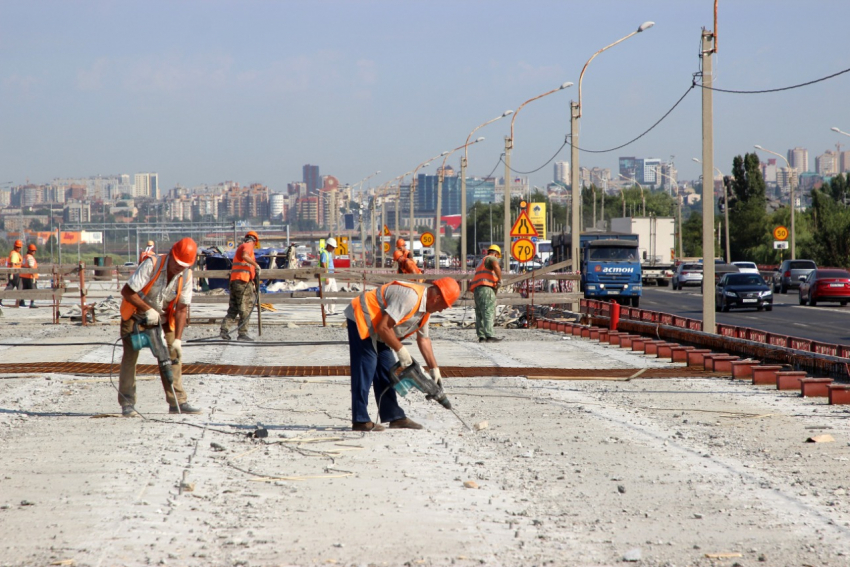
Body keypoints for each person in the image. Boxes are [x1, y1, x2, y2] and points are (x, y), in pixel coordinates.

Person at [346, 277, 460, 431]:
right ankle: (360, 420)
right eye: (444, 306)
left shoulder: (425, 310)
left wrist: (434, 369)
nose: (442, 310)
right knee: (366, 365)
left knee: (387, 369)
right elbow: (383, 327)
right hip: (362, 316)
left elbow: (424, 339)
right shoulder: (410, 297)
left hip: (379, 329)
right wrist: (401, 349)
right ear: (437, 298)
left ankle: (394, 416)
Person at [118, 237, 200, 417]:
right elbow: (127, 291)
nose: (179, 268)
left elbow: (182, 309)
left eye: (183, 265)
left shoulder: (186, 275)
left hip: (162, 316)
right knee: (130, 356)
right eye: (177, 263)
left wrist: (178, 339)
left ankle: (177, 402)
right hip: (135, 313)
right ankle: (127, 403)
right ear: (171, 254)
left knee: (173, 354)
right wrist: (147, 309)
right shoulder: (152, 264)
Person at [220, 231, 261, 341]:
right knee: (245, 309)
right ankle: (242, 334)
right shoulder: (247, 246)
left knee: (233, 308)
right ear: (254, 241)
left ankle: (224, 330)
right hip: (242, 282)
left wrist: (253, 283)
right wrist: (256, 265)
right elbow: (245, 255)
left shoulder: (241, 246)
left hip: (235, 281)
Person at [469, 244, 503, 343]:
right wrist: (500, 279)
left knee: (480, 313)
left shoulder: (481, 261)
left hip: (477, 289)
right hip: (486, 288)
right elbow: (496, 265)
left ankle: (482, 336)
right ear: (496, 254)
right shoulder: (491, 258)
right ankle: (490, 336)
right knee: (488, 311)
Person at [2, 240, 24, 308]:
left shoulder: (14, 253)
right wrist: (12, 273)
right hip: (15, 273)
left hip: (14, 273)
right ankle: (20, 301)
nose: (19, 249)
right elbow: (13, 264)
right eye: (19, 247)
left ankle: (1, 298)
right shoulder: (14, 254)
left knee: (10, 286)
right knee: (19, 287)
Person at [320, 238, 338, 315]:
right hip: (327, 275)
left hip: (331, 275)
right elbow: (323, 264)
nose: (333, 249)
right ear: (329, 246)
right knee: (326, 294)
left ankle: (332, 310)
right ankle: (325, 311)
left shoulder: (329, 253)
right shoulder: (324, 253)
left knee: (334, 292)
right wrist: (326, 276)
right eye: (333, 247)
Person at [20, 243, 38, 308]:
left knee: (24, 290)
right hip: (30, 276)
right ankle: (32, 303)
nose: (34, 252)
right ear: (30, 251)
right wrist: (33, 275)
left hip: (24, 276)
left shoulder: (25, 256)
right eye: (33, 251)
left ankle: (21, 301)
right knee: (33, 290)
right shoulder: (30, 257)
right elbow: (31, 266)